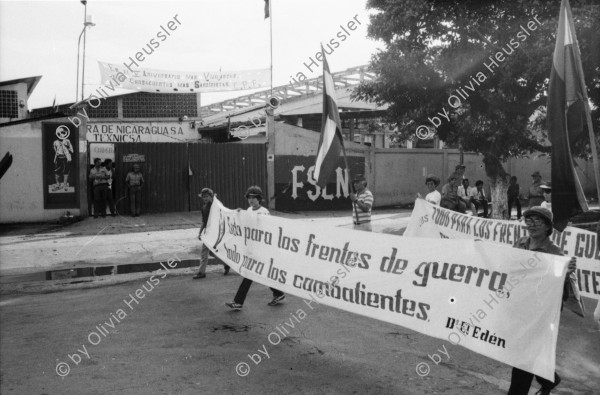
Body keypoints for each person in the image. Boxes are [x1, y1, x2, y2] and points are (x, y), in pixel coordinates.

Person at [508, 207, 577, 395]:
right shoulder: (521, 243)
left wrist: (565, 273)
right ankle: (550, 379)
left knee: (524, 356)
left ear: (548, 226)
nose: (531, 225)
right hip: (520, 306)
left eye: (537, 221)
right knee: (525, 351)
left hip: (540, 312)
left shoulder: (555, 252)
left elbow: (559, 290)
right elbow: (509, 267)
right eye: (528, 220)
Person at [225, 186, 285, 310]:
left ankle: (238, 302)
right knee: (263, 274)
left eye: (254, 197)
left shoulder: (264, 212)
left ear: (259, 199)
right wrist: (240, 215)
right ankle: (279, 293)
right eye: (249, 197)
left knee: (249, 274)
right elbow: (246, 225)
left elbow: (266, 230)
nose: (251, 200)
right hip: (252, 248)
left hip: (262, 250)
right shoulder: (248, 210)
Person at [193, 188, 229, 279]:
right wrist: (200, 232)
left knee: (204, 252)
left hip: (214, 232)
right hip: (208, 232)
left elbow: (224, 214)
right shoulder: (204, 207)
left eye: (207, 196)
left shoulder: (215, 206)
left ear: (211, 197)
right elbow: (204, 221)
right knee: (212, 253)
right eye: (203, 197)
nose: (205, 198)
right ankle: (226, 264)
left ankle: (201, 272)